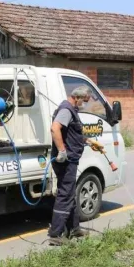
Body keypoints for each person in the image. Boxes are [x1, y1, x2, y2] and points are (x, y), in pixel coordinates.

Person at [48, 86, 104, 246]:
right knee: (65, 195)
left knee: (70, 193)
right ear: (77, 97)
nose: (84, 104)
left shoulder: (71, 110)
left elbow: (73, 133)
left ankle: (74, 228)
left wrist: (89, 141)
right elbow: (55, 128)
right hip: (66, 161)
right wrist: (62, 151)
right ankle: (56, 234)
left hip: (71, 160)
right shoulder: (66, 110)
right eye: (84, 101)